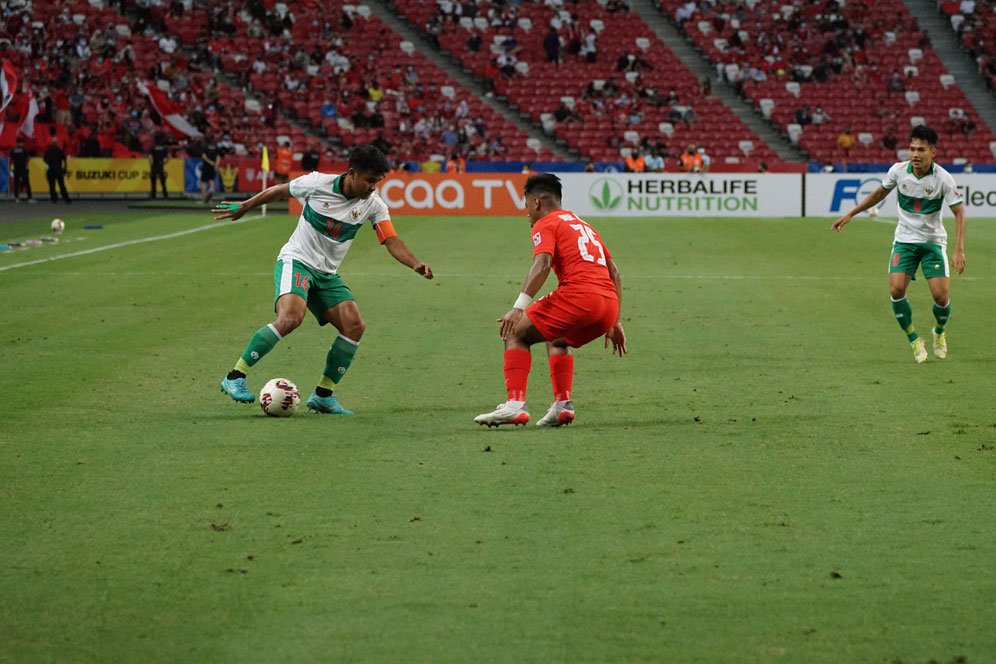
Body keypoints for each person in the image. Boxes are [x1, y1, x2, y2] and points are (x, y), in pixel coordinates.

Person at [213, 145, 434, 414]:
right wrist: (246, 206)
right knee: (291, 317)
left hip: (327, 274)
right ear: (352, 174)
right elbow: (280, 191)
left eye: (377, 181)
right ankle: (235, 376)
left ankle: (323, 395)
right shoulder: (317, 183)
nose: (373, 187)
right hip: (297, 261)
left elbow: (390, 239)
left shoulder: (373, 205)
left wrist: (415, 264)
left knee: (354, 325)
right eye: (370, 180)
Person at [474, 173, 626, 428]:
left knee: (515, 332)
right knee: (557, 337)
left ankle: (514, 405)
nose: (527, 214)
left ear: (535, 203)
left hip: (580, 296)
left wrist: (517, 308)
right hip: (608, 305)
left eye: (526, 207)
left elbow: (542, 264)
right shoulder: (585, 225)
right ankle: (562, 405)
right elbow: (615, 273)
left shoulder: (546, 223)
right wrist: (615, 321)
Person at [831, 125, 966, 363]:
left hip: (933, 242)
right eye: (912, 148)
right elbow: (879, 194)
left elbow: (959, 213)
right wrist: (851, 213)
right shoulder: (898, 171)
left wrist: (958, 249)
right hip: (904, 240)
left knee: (941, 298)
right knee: (896, 290)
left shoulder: (943, 178)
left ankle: (939, 331)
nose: (915, 154)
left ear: (932, 152)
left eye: (921, 149)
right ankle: (914, 340)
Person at [43, 133, 71, 204]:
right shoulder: (59, 150)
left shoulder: (48, 151)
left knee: (52, 186)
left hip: (51, 170)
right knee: (61, 185)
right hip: (58, 169)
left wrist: (49, 164)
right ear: (57, 143)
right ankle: (66, 198)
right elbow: (64, 159)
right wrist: (64, 168)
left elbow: (45, 160)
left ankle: (54, 199)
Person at [11, 136, 33, 203]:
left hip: (16, 168)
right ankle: (29, 198)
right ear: (21, 143)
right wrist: (25, 163)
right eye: (22, 143)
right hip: (23, 168)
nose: (23, 144)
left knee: (16, 183)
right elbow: (28, 158)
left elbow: (11, 159)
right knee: (27, 183)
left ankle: (16, 198)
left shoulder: (13, 150)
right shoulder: (24, 150)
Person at [149, 133, 169, 199]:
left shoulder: (153, 147)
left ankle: (153, 195)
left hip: (154, 165)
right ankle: (165, 195)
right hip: (160, 165)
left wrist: (151, 165)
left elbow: (150, 157)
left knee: (153, 181)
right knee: (163, 181)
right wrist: (163, 163)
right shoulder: (164, 148)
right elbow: (167, 158)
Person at [200, 136, 219, 204]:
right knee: (211, 180)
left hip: (206, 166)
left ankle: (203, 199)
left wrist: (210, 162)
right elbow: (218, 157)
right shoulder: (215, 146)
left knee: (203, 182)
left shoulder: (205, 146)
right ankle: (210, 198)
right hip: (213, 167)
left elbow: (204, 156)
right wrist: (216, 165)